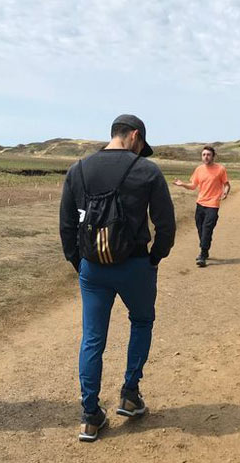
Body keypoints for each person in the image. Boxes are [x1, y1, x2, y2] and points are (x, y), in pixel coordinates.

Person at [60, 114, 176, 442]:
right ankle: (129, 393)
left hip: (92, 268)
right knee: (141, 322)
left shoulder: (78, 169)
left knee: (92, 337)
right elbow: (165, 225)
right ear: (135, 136)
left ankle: (89, 415)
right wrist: (154, 259)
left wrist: (78, 263)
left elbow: (66, 225)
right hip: (135, 264)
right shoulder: (147, 171)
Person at [173, 146, 230, 267]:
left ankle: (202, 255)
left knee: (207, 229)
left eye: (208, 154)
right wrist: (182, 184)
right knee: (201, 229)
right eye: (204, 155)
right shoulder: (199, 169)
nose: (206, 157)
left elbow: (226, 184)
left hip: (213, 204)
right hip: (200, 204)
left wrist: (226, 191)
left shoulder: (220, 169)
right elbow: (193, 186)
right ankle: (205, 248)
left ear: (213, 156)